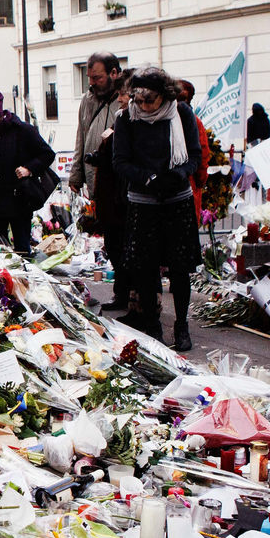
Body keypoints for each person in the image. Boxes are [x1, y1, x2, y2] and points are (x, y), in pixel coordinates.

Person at [112, 66, 202, 352]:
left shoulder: (181, 114)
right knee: (145, 269)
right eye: (138, 100)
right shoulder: (126, 118)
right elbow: (120, 161)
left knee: (179, 269)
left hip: (177, 200)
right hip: (144, 201)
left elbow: (195, 155)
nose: (144, 107)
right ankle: (153, 325)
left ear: (165, 96)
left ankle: (182, 325)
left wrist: (179, 173)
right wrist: (147, 177)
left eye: (149, 101)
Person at [0, 90, 55, 254]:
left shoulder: (22, 131)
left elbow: (47, 154)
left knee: (22, 249)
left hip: (19, 201)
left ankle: (25, 271)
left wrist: (29, 169)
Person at [92, 72, 134, 315]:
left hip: (122, 200)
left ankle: (130, 297)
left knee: (123, 249)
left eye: (123, 94)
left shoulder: (130, 123)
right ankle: (123, 293)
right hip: (111, 199)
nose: (119, 99)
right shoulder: (119, 120)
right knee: (115, 248)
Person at [69, 52, 123, 197]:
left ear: (113, 73)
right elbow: (81, 137)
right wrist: (76, 175)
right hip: (93, 177)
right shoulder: (87, 99)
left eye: (97, 78)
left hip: (117, 180)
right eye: (89, 77)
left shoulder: (126, 99)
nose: (91, 82)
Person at [176, 78, 212, 213]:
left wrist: (199, 181)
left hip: (187, 182)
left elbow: (202, 154)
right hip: (188, 182)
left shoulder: (193, 121)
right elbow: (203, 154)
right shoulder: (194, 121)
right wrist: (200, 181)